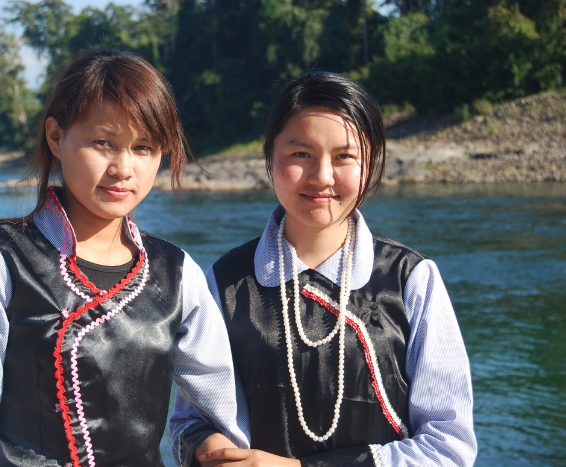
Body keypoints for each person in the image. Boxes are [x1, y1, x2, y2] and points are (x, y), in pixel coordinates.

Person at [0, 49, 248, 467]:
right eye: (103, 143)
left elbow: (220, 414)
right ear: (56, 137)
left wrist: (212, 445)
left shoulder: (177, 273)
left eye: (144, 147)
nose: (123, 168)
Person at [172, 72, 477, 466]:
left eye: (344, 156)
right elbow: (188, 419)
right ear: (270, 158)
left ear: (370, 163)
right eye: (301, 154)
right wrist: (207, 446)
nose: (322, 177)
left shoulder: (410, 280)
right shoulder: (224, 282)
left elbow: (448, 446)